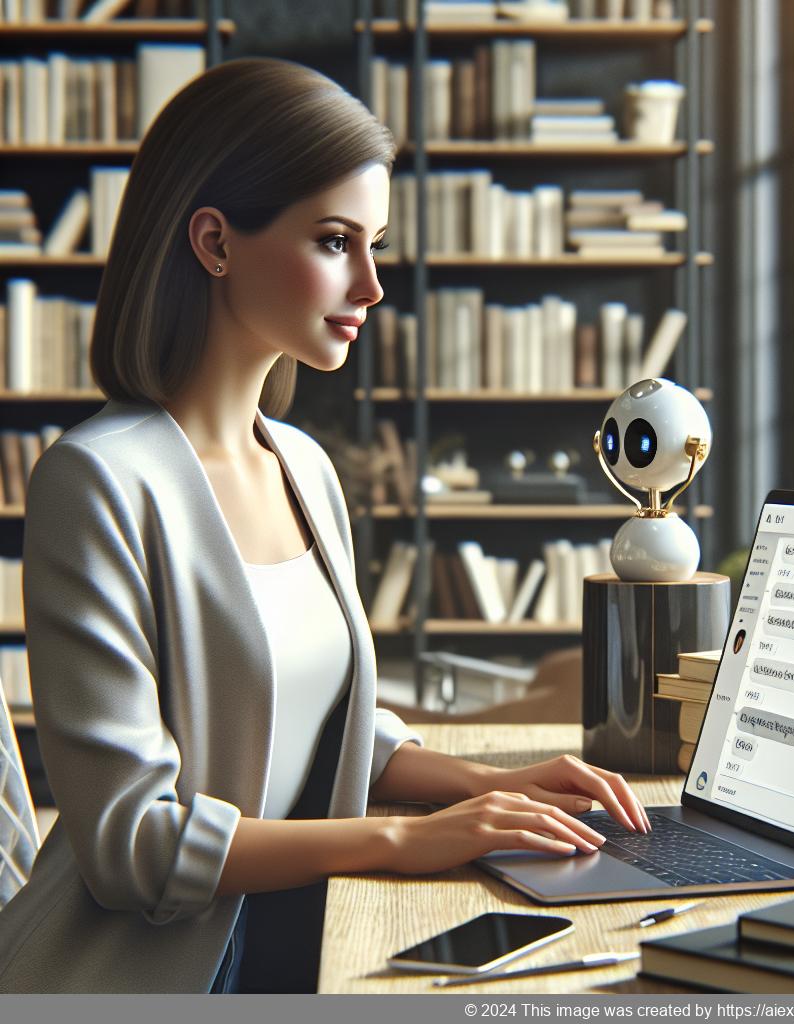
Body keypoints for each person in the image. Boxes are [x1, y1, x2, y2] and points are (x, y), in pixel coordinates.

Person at [0, 58, 650, 994]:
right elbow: (133, 844)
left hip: (303, 939)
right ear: (215, 242)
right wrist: (404, 840)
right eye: (337, 241)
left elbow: (322, 721)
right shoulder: (97, 481)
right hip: (137, 975)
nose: (373, 286)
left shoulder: (304, 465)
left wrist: (488, 785)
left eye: (374, 244)